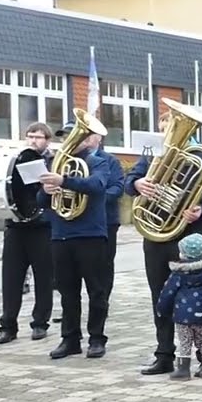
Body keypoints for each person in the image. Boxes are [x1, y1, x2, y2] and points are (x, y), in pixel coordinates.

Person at [127, 105, 202, 376]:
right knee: (159, 295)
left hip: (189, 235)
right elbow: (130, 180)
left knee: (195, 297)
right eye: (164, 130)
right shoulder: (152, 155)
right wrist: (138, 185)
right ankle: (164, 355)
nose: (168, 135)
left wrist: (201, 208)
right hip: (156, 233)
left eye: (171, 128)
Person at [38, 116, 112, 360]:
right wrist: (47, 190)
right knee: (67, 291)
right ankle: (70, 339)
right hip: (61, 235)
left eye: (73, 136)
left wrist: (65, 181)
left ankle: (97, 339)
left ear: (86, 139)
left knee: (96, 290)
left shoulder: (98, 162)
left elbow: (97, 185)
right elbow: (41, 202)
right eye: (64, 137)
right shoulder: (55, 163)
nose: (67, 141)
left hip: (90, 234)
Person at [0, 123, 55, 346]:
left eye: (38, 137)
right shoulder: (17, 159)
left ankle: (40, 323)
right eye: (30, 136)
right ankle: (8, 326)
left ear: (47, 141)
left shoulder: (53, 161)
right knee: (11, 278)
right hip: (16, 227)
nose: (33, 141)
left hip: (42, 227)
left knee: (43, 278)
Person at [155, 233, 202, 380]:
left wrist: (161, 309)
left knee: (185, 342)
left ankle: (183, 370)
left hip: (183, 316)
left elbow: (168, 293)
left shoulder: (179, 274)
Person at [89, 132, 126, 308]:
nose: (86, 138)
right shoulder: (68, 159)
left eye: (91, 134)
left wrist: (91, 200)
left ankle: (101, 303)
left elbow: (118, 187)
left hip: (106, 220)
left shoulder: (110, 160)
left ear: (99, 138)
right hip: (77, 222)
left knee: (104, 264)